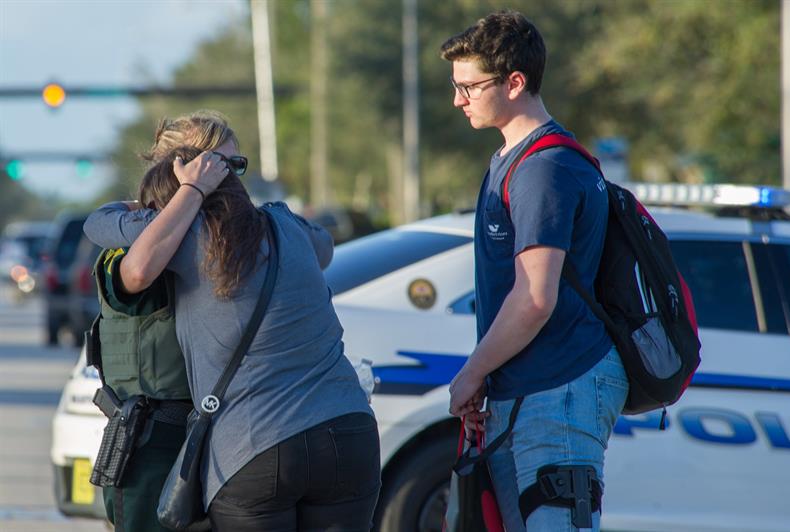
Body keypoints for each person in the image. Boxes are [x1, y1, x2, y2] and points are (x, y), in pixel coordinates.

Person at [84, 138, 381, 530]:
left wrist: (187, 192)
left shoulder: (189, 238)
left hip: (257, 447)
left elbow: (101, 226)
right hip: (350, 432)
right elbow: (324, 244)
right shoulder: (286, 225)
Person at [441, 10, 628, 532]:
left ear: (514, 82)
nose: (458, 99)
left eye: (469, 86)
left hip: (559, 388)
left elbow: (535, 297)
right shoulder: (513, 158)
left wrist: (472, 373)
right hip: (535, 388)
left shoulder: (543, 169)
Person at [91, 110, 247, 532]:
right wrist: (192, 193)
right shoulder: (132, 248)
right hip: (152, 445)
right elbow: (138, 274)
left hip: (219, 439)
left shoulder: (224, 244)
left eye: (237, 167)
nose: (232, 180)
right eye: (220, 167)